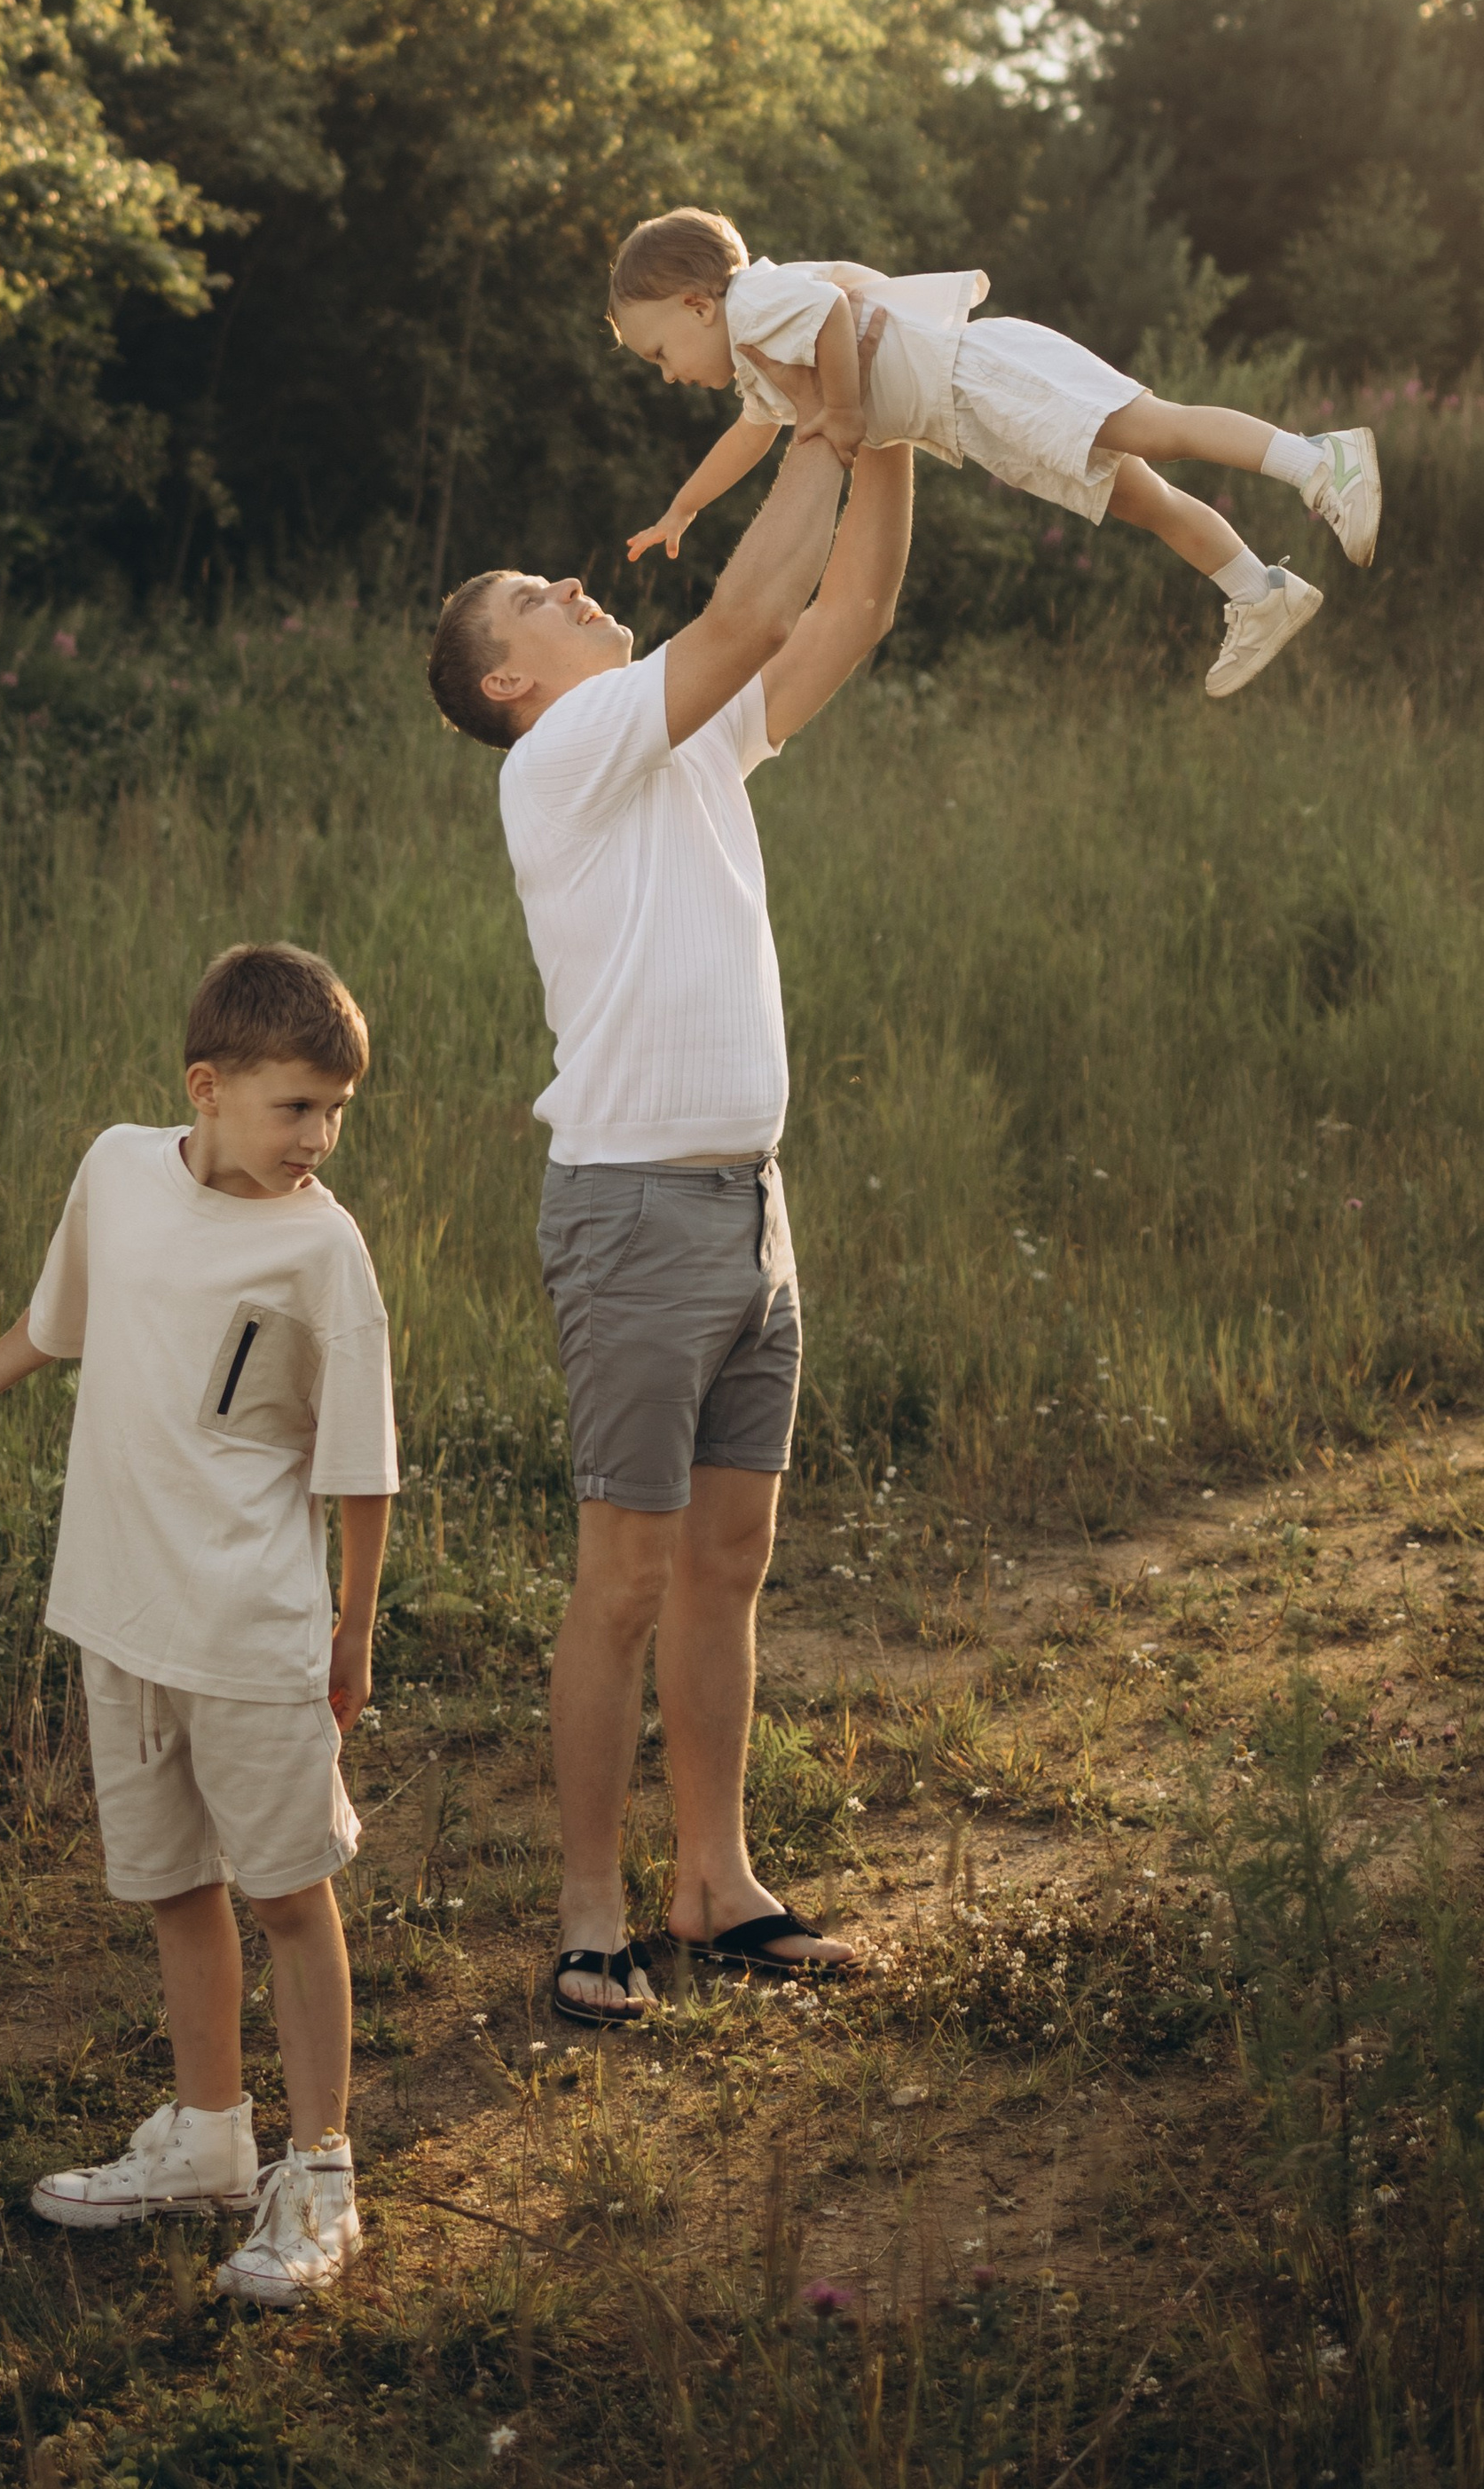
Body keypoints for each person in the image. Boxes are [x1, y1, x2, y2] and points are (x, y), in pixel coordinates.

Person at [427, 425, 910, 2023]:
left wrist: (884, 436)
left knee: (731, 1560)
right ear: (511, 683)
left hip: (751, 1203)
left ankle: (717, 1884)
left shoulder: (683, 739)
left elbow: (843, 618)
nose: (570, 584)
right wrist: (817, 415)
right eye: (531, 598)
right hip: (632, 1213)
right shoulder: (557, 759)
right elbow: (759, 602)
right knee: (623, 1579)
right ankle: (587, 1914)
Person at [0, 944, 396, 2305]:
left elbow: (358, 1468)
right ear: (207, 1086)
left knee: (288, 1896)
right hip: (120, 1614)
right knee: (177, 1890)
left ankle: (319, 2174)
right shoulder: (119, 1170)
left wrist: (349, 1634)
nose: (319, 1139)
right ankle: (206, 2138)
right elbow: (56, 1323)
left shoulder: (325, 1247)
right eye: (296, 1106)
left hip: (254, 1633)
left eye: (335, 1113)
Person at [611, 206, 1379, 699]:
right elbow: (749, 435)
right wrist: (684, 508)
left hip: (981, 374)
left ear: (697, 305)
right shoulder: (756, 360)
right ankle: (1258, 590)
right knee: (1143, 499)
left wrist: (841, 414)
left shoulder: (755, 303)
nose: (669, 373)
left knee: (1159, 431)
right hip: (974, 421)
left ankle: (1318, 462)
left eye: (659, 353)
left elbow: (835, 308)